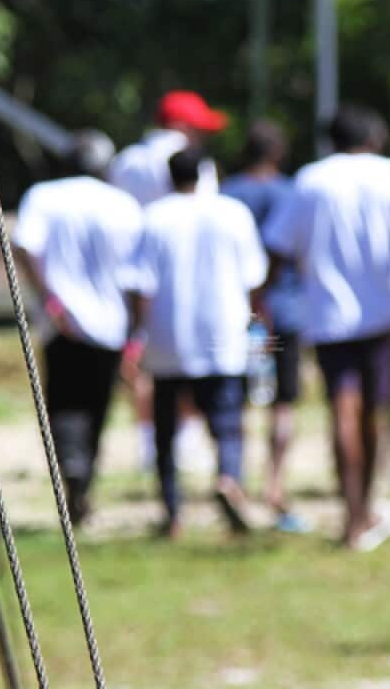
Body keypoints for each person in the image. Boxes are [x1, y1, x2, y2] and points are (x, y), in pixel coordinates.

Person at [262, 106, 390, 551]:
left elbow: (278, 245)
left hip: (328, 312)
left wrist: (262, 298)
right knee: (372, 412)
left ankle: (352, 513)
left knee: (342, 408)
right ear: (374, 136)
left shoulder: (311, 180)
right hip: (386, 309)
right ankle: (367, 506)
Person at [124, 147, 267, 538]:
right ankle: (228, 477)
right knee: (227, 421)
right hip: (223, 332)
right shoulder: (233, 213)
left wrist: (136, 334)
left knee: (166, 429)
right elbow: (255, 277)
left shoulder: (153, 217)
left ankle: (173, 512)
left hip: (168, 335)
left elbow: (141, 285)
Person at [14, 130, 143, 526]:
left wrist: (49, 299)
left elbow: (23, 245)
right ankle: (84, 481)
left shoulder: (44, 196)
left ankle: (72, 476)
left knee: (65, 404)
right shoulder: (124, 205)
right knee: (97, 406)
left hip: (61, 322)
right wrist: (136, 328)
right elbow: (137, 275)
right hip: (111, 323)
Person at [110, 90, 228, 474]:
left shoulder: (127, 160)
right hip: (186, 269)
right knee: (187, 356)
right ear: (180, 125)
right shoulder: (196, 163)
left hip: (134, 269)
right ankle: (187, 437)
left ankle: (149, 440)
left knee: (141, 357)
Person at [221, 120, 310, 533]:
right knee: (282, 401)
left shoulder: (227, 194)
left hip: (240, 314)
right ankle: (274, 484)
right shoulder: (291, 193)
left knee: (237, 399)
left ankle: (233, 478)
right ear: (278, 153)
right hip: (283, 313)